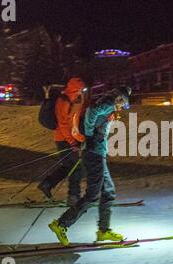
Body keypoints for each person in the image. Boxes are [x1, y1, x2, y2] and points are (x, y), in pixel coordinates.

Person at [49, 86, 132, 246]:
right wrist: (88, 135)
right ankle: (61, 224)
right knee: (93, 195)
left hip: (96, 153)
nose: (122, 107)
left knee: (108, 192)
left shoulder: (108, 105)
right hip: (94, 154)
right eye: (123, 104)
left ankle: (103, 231)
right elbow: (91, 112)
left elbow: (95, 117)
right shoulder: (109, 103)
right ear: (120, 98)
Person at [37, 77, 87, 207]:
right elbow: (63, 124)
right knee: (77, 168)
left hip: (69, 139)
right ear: (75, 89)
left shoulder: (73, 100)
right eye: (81, 90)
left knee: (68, 166)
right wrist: (72, 143)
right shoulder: (63, 101)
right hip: (64, 139)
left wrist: (79, 138)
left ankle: (47, 184)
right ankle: (73, 196)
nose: (82, 92)